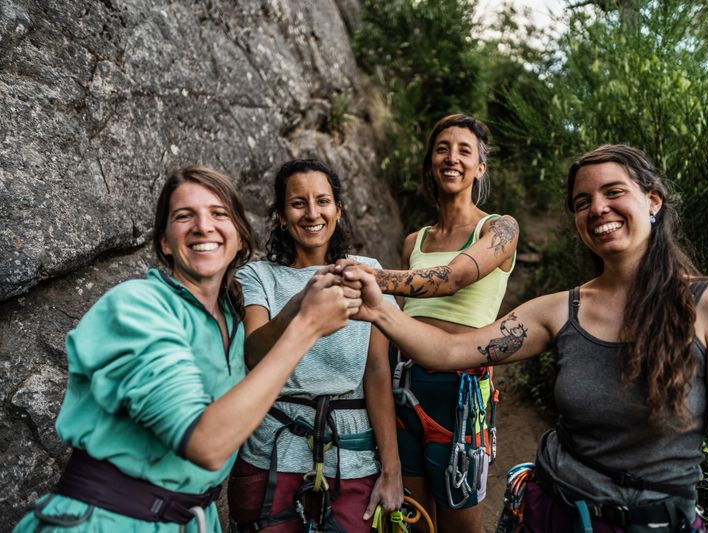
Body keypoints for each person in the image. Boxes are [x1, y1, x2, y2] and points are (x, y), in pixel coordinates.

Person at [346, 144, 708, 532]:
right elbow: (451, 350)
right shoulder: (561, 309)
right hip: (550, 513)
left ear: (652, 201)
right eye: (582, 202)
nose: (598, 208)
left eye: (613, 192)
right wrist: (378, 309)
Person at [14, 165, 357, 532]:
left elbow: (254, 366)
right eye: (184, 216)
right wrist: (306, 328)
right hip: (108, 519)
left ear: (241, 237)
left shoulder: (227, 320)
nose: (203, 226)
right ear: (164, 241)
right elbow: (205, 444)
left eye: (218, 214)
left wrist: (297, 307)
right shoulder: (136, 308)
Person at [339, 114, 518, 532]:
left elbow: (454, 278)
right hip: (408, 389)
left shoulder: (500, 228)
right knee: (417, 525)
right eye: (442, 149)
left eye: (463, 150)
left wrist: (371, 276)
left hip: (462, 394)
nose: (451, 158)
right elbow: (395, 322)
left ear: (480, 167)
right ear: (430, 162)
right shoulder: (413, 242)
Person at [226, 159, 403, 532]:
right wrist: (297, 306)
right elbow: (254, 354)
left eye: (322, 201)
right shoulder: (258, 276)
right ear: (280, 216)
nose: (312, 213)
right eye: (298, 203)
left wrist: (392, 469)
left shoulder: (367, 272)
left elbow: (376, 372)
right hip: (272, 448)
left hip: (352, 452)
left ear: (338, 210)